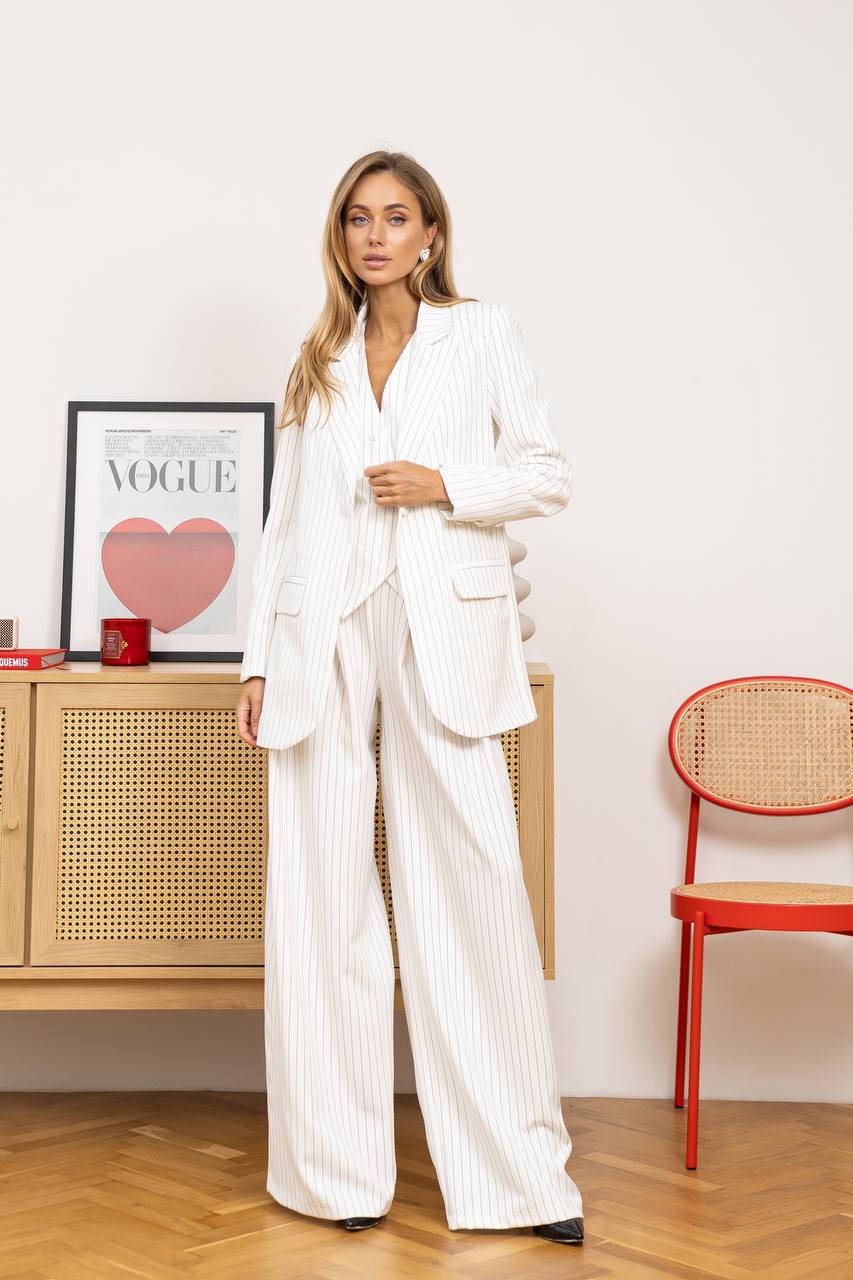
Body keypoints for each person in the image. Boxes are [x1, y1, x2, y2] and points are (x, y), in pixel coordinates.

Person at [235, 149, 584, 1245]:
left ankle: (521, 1183)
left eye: (396, 217)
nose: (376, 235)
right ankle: (334, 1173)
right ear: (340, 238)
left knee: (469, 893)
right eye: (357, 219)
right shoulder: (314, 361)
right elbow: (285, 521)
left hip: (443, 626)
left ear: (431, 233)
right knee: (320, 902)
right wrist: (254, 657)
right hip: (321, 635)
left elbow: (545, 471)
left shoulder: (481, 332)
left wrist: (446, 485)